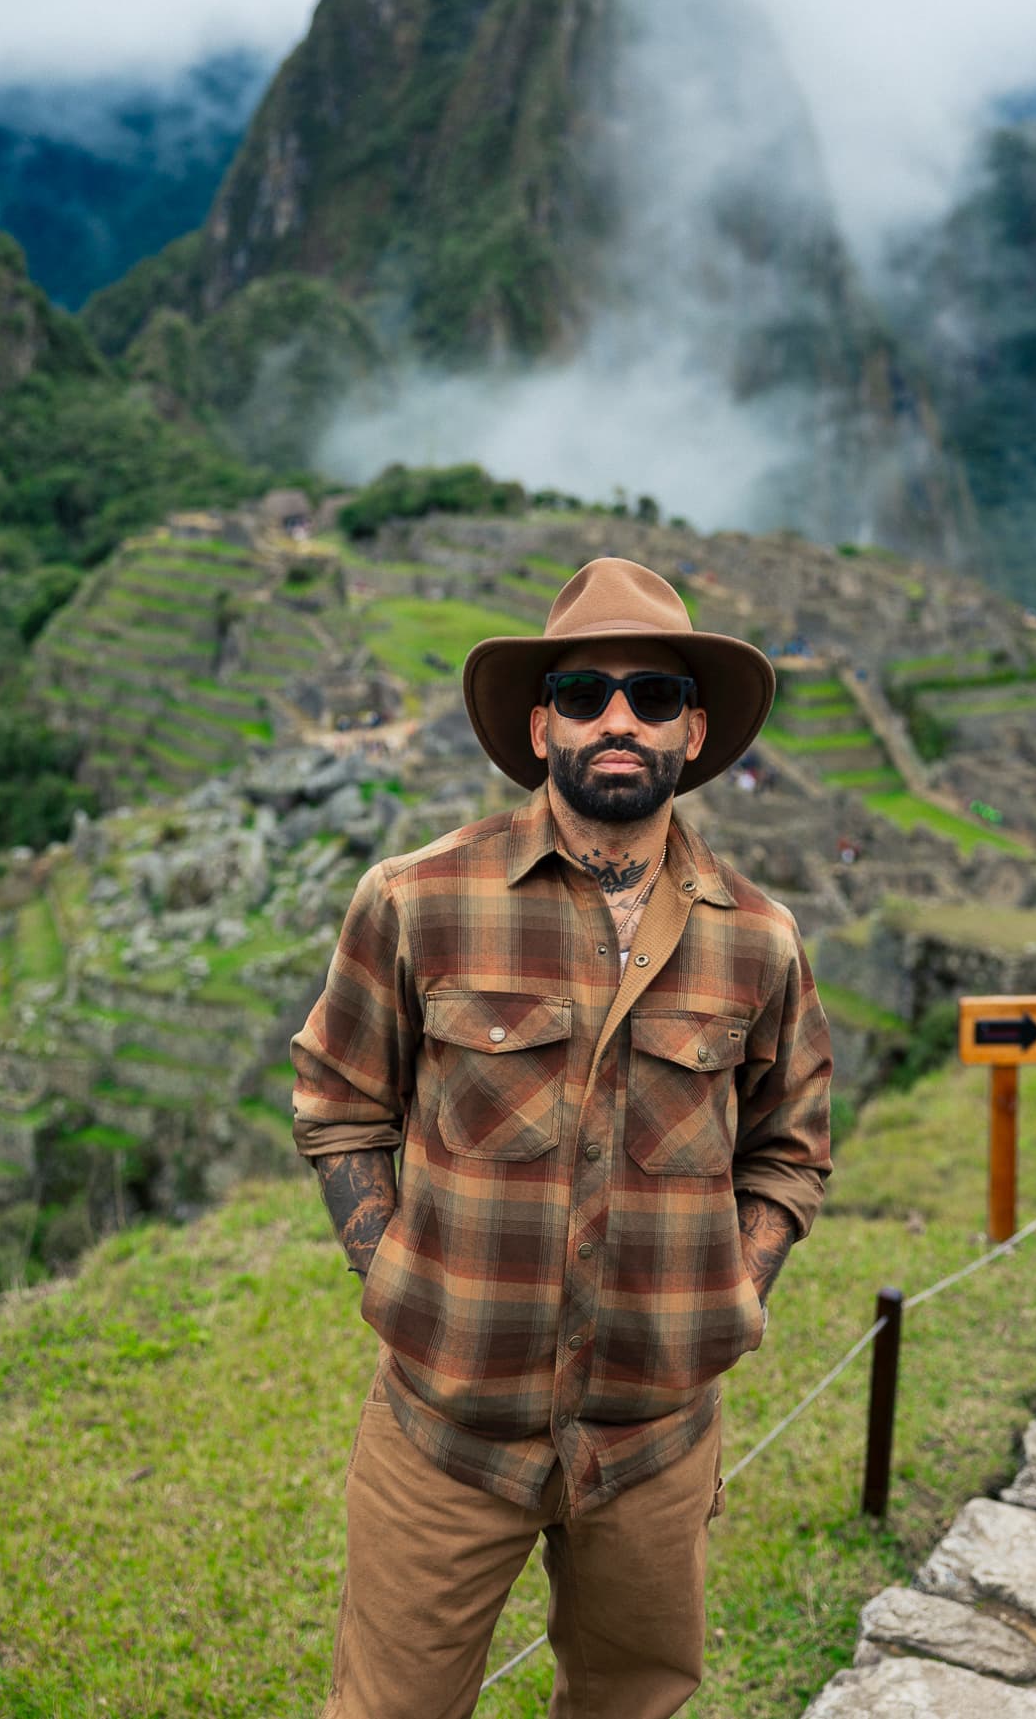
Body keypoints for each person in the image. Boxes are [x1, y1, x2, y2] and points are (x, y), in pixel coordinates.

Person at [290, 557, 833, 1719]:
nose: (618, 719)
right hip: (447, 1435)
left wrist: (735, 1292)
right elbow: (339, 1098)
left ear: (693, 730)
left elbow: (790, 1148)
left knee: (630, 1704)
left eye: (654, 695)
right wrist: (388, 1270)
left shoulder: (761, 942)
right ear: (542, 727)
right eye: (585, 694)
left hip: (653, 1444)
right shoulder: (418, 901)